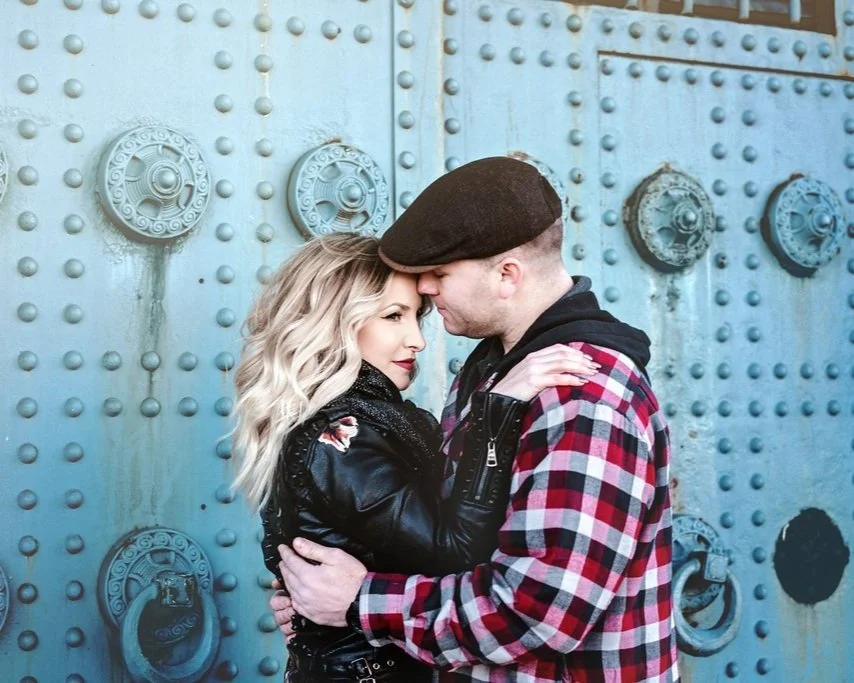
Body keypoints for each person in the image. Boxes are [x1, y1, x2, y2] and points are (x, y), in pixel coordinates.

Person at [274, 157, 680, 682]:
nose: (423, 288)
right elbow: (451, 546)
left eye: (439, 274)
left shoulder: (582, 395)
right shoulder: (492, 373)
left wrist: (360, 603)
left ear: (507, 275)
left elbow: (538, 612)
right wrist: (322, 613)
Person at [230, 232, 598, 682]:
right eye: (393, 316)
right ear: (333, 323)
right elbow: (455, 549)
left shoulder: (379, 419)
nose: (417, 340)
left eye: (417, 316)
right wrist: (496, 412)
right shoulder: (339, 437)